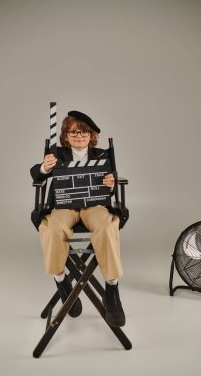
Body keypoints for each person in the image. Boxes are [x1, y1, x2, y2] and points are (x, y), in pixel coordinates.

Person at [30, 110, 125, 327]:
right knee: (53, 228)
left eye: (84, 132)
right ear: (65, 136)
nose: (79, 136)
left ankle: (112, 289)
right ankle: (62, 282)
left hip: (94, 206)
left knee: (106, 225)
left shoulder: (102, 155)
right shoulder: (58, 155)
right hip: (64, 206)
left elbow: (109, 185)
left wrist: (112, 183)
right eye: (73, 132)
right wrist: (45, 166)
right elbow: (36, 174)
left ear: (92, 136)